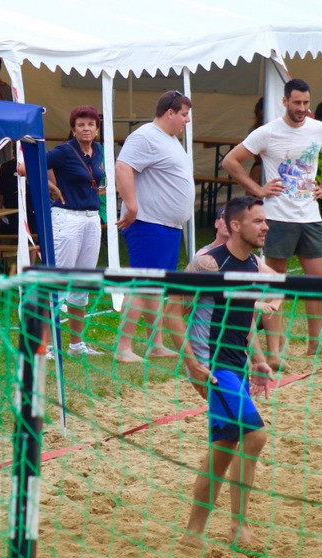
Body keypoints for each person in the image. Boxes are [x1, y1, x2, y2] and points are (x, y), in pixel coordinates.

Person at [166, 197, 273, 549]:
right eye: (258, 221)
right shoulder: (207, 264)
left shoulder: (255, 265)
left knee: (225, 447)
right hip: (212, 367)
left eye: (265, 221)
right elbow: (174, 312)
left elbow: (245, 322)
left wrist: (257, 359)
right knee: (255, 436)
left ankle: (192, 534)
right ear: (236, 226)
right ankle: (238, 528)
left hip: (237, 366)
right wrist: (191, 362)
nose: (265, 227)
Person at [222, 78, 322, 359]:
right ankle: (275, 350)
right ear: (285, 102)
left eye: (306, 102)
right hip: (277, 217)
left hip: (310, 217)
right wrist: (258, 190)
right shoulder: (268, 132)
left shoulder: (319, 129)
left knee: (318, 281)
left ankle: (316, 343)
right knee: (275, 282)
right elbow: (230, 161)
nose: (302, 108)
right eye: (297, 102)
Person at [114, 90, 195, 363]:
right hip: (148, 223)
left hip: (167, 225)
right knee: (142, 283)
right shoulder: (145, 136)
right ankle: (124, 347)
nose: (187, 120)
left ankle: (155, 344)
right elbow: (123, 168)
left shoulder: (169, 139)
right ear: (169, 112)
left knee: (155, 287)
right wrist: (132, 205)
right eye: (184, 114)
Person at [45, 105, 106, 356]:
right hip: (66, 217)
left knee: (82, 281)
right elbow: (26, 166)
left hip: (92, 218)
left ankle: (76, 344)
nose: (86, 129)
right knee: (58, 280)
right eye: (81, 124)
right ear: (73, 129)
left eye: (91, 124)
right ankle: (46, 345)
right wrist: (52, 186)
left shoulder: (99, 150)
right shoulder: (63, 151)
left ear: (97, 128)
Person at [194, 206, 284, 370]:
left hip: (243, 314)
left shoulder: (249, 257)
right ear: (216, 223)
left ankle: (274, 355)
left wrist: (276, 301)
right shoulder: (204, 258)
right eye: (224, 217)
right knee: (245, 306)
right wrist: (253, 303)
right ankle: (257, 359)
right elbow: (184, 306)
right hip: (219, 323)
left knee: (271, 296)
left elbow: (279, 281)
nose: (229, 221)